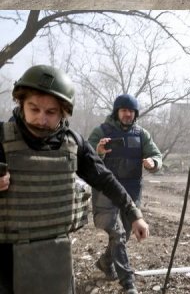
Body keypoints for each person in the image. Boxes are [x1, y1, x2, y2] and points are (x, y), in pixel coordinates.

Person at [0, 65, 150, 294]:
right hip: (6, 255)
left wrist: (133, 213)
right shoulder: (2, 137)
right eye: (34, 109)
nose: (41, 119)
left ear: (63, 112)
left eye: (50, 112)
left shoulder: (73, 143)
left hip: (56, 254)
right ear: (21, 104)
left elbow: (105, 179)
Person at [87, 94, 161, 294]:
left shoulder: (141, 134)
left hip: (131, 192)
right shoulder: (101, 131)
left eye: (131, 111)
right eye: (124, 110)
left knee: (124, 234)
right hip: (106, 191)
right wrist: (99, 150)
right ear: (116, 112)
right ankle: (128, 283)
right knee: (117, 234)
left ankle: (104, 261)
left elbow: (156, 154)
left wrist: (153, 163)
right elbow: (86, 158)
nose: (128, 114)